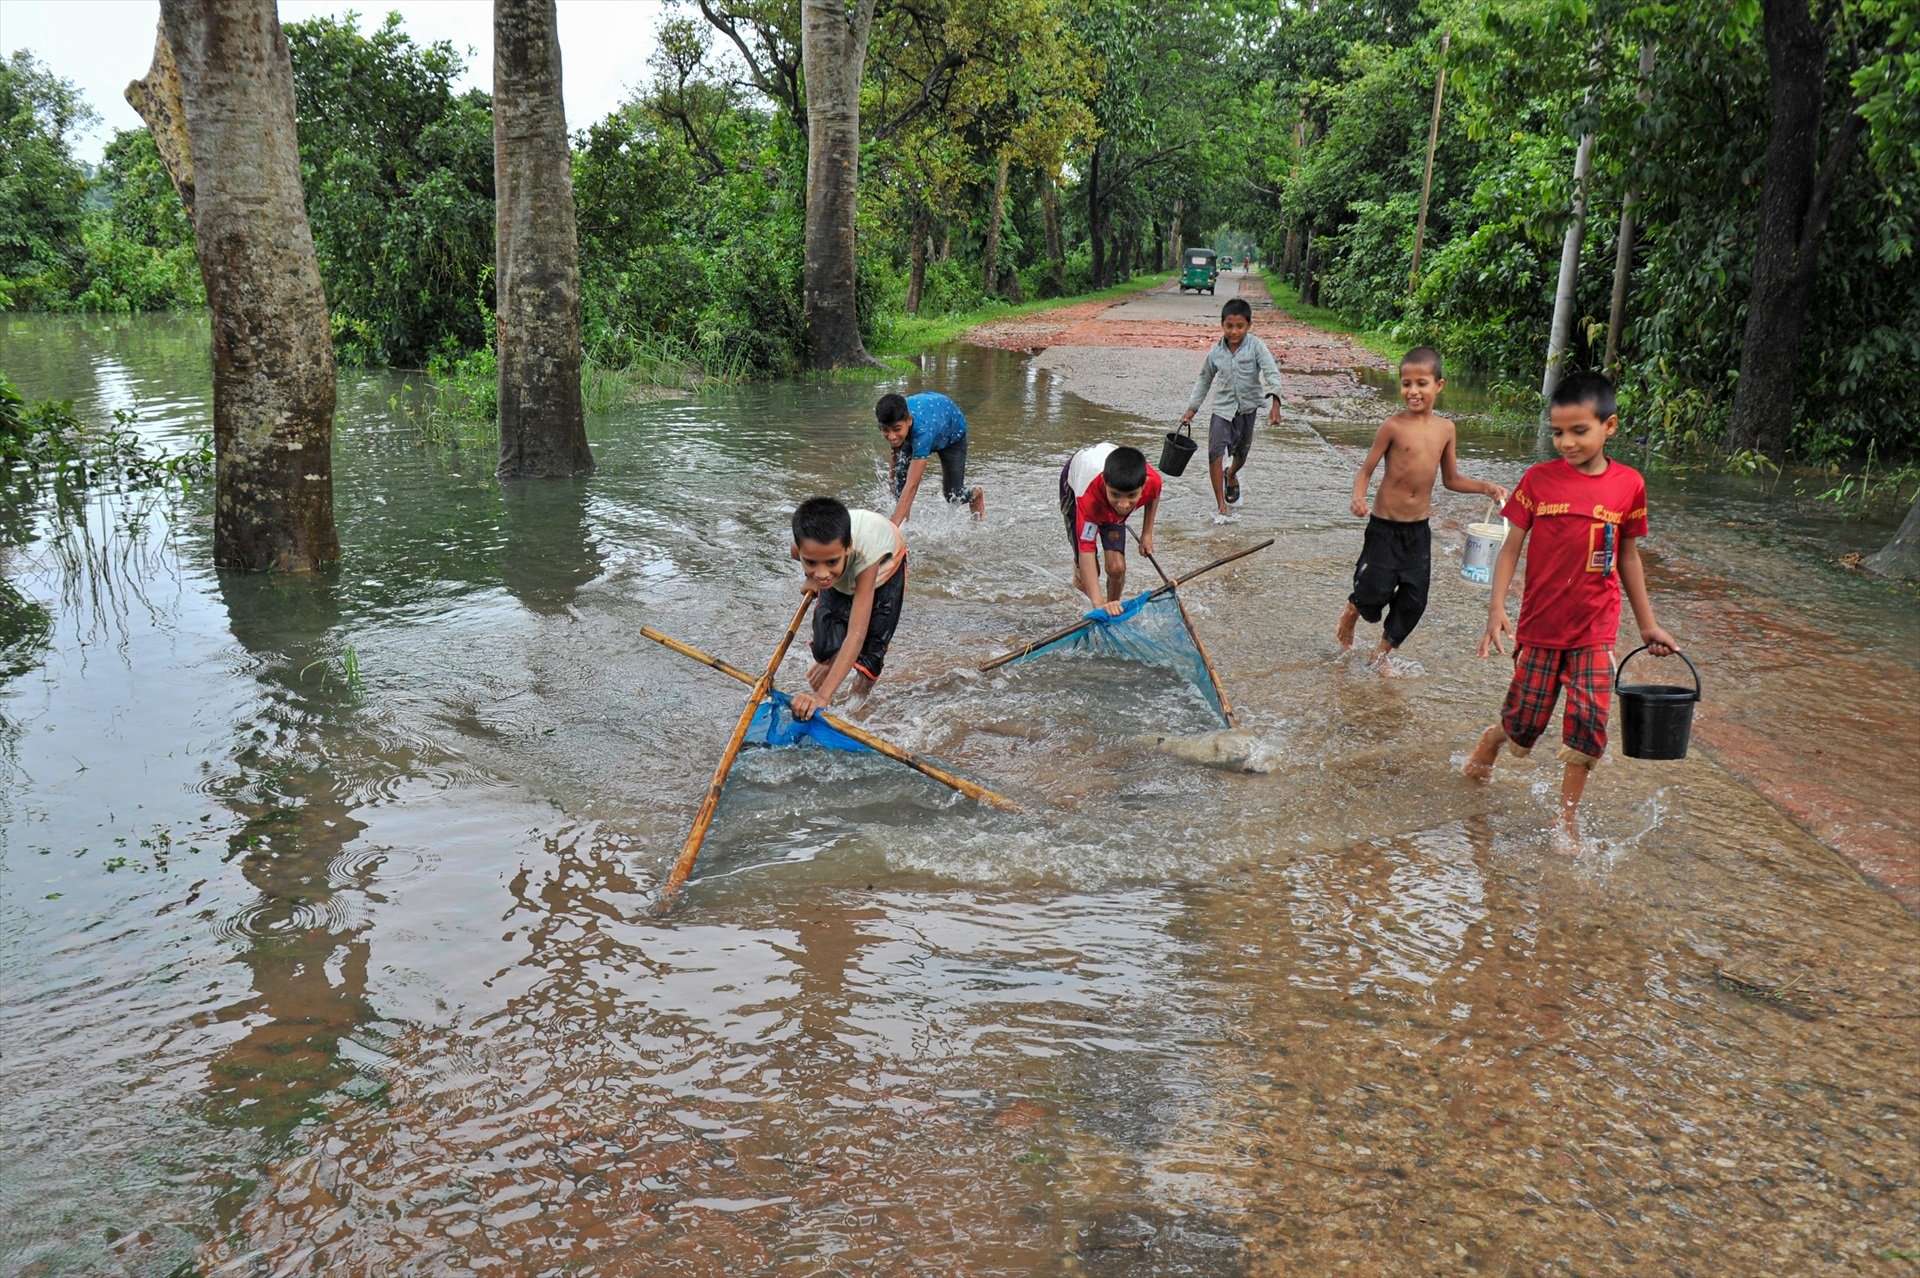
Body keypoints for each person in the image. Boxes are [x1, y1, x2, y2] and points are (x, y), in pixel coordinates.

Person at [1462, 371, 1680, 842]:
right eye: (1558, 432)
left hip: (1595, 628)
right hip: (1541, 626)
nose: (1565, 442)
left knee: (1588, 722)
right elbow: (1510, 545)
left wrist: (1648, 626)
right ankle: (1494, 738)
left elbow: (1627, 556)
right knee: (1526, 721)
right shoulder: (1538, 481)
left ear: (1610, 427)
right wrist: (1497, 607)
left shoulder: (1629, 485)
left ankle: (1566, 819)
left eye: (1579, 431)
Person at [1336, 348, 1508, 669]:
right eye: (1406, 384)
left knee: (1415, 599)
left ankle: (1381, 652)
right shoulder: (1393, 426)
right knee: (1374, 589)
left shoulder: (1446, 430)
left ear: (1439, 386)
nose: (1413, 391)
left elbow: (1451, 479)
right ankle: (1352, 611)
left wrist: (1485, 487)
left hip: (1418, 530)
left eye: (1421, 383)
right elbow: (1366, 470)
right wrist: (1358, 496)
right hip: (1385, 526)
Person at [788, 496, 908, 720]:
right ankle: (835, 661)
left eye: (831, 562)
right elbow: (816, 563)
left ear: (847, 549)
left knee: (871, 651)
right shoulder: (799, 548)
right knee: (824, 645)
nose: (822, 573)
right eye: (811, 563)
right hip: (846, 569)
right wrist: (811, 578)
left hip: (884, 571)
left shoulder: (865, 558)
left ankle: (859, 701)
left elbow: (856, 634)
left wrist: (822, 697)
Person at [1180, 296, 1283, 523]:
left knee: (1242, 454)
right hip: (1222, 410)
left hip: (1247, 409)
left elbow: (1271, 372)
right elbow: (1204, 380)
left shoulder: (1256, 347)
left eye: (1239, 326)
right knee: (1214, 452)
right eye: (1229, 326)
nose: (1234, 331)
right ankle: (1221, 503)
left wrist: (1275, 402)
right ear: (1222, 325)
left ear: (1248, 326)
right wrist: (1192, 409)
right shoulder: (1216, 352)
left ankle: (1232, 473)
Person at [1060, 442, 1161, 616]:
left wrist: (1147, 534)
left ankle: (1113, 608)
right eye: (1116, 495)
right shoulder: (1088, 499)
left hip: (1108, 495)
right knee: (1086, 579)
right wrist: (1097, 603)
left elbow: (1154, 494)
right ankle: (1086, 606)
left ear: (1143, 486)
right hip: (1076, 486)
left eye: (1131, 496)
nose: (1123, 505)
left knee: (1117, 568)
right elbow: (1087, 549)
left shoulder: (1152, 481)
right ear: (1105, 483)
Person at [875, 391, 986, 525]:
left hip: (952, 434)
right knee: (899, 485)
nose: (891, 436)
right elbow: (895, 449)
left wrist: (892, 527)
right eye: (885, 430)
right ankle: (905, 528)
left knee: (953, 495)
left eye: (896, 429)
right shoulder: (895, 416)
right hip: (931, 417)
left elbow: (912, 484)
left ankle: (975, 494)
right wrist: (891, 481)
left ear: (909, 420)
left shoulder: (922, 433)